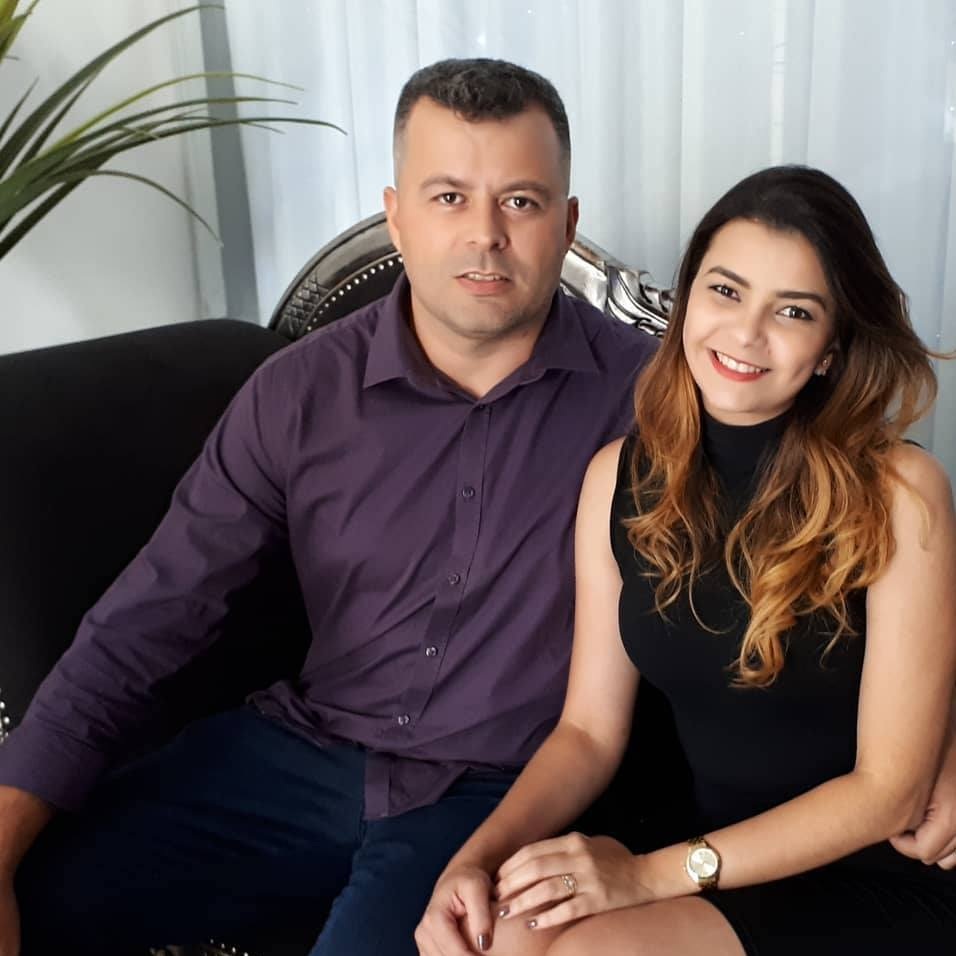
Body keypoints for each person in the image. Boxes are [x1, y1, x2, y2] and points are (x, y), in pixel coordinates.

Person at [0, 59, 660, 956]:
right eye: (449, 197)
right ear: (396, 217)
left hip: (499, 797)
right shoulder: (298, 392)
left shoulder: (655, 399)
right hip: (295, 756)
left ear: (567, 223)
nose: (485, 236)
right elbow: (154, 612)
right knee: (37, 890)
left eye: (521, 201)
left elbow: (806, 531)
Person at [415, 166, 956, 956]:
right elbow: (588, 732)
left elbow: (888, 793)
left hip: (864, 866)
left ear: (831, 349)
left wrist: (646, 877)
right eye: (725, 291)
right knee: (499, 932)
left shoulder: (901, 490)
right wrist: (473, 860)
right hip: (697, 836)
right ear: (688, 300)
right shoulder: (616, 478)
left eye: (793, 311)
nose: (746, 334)